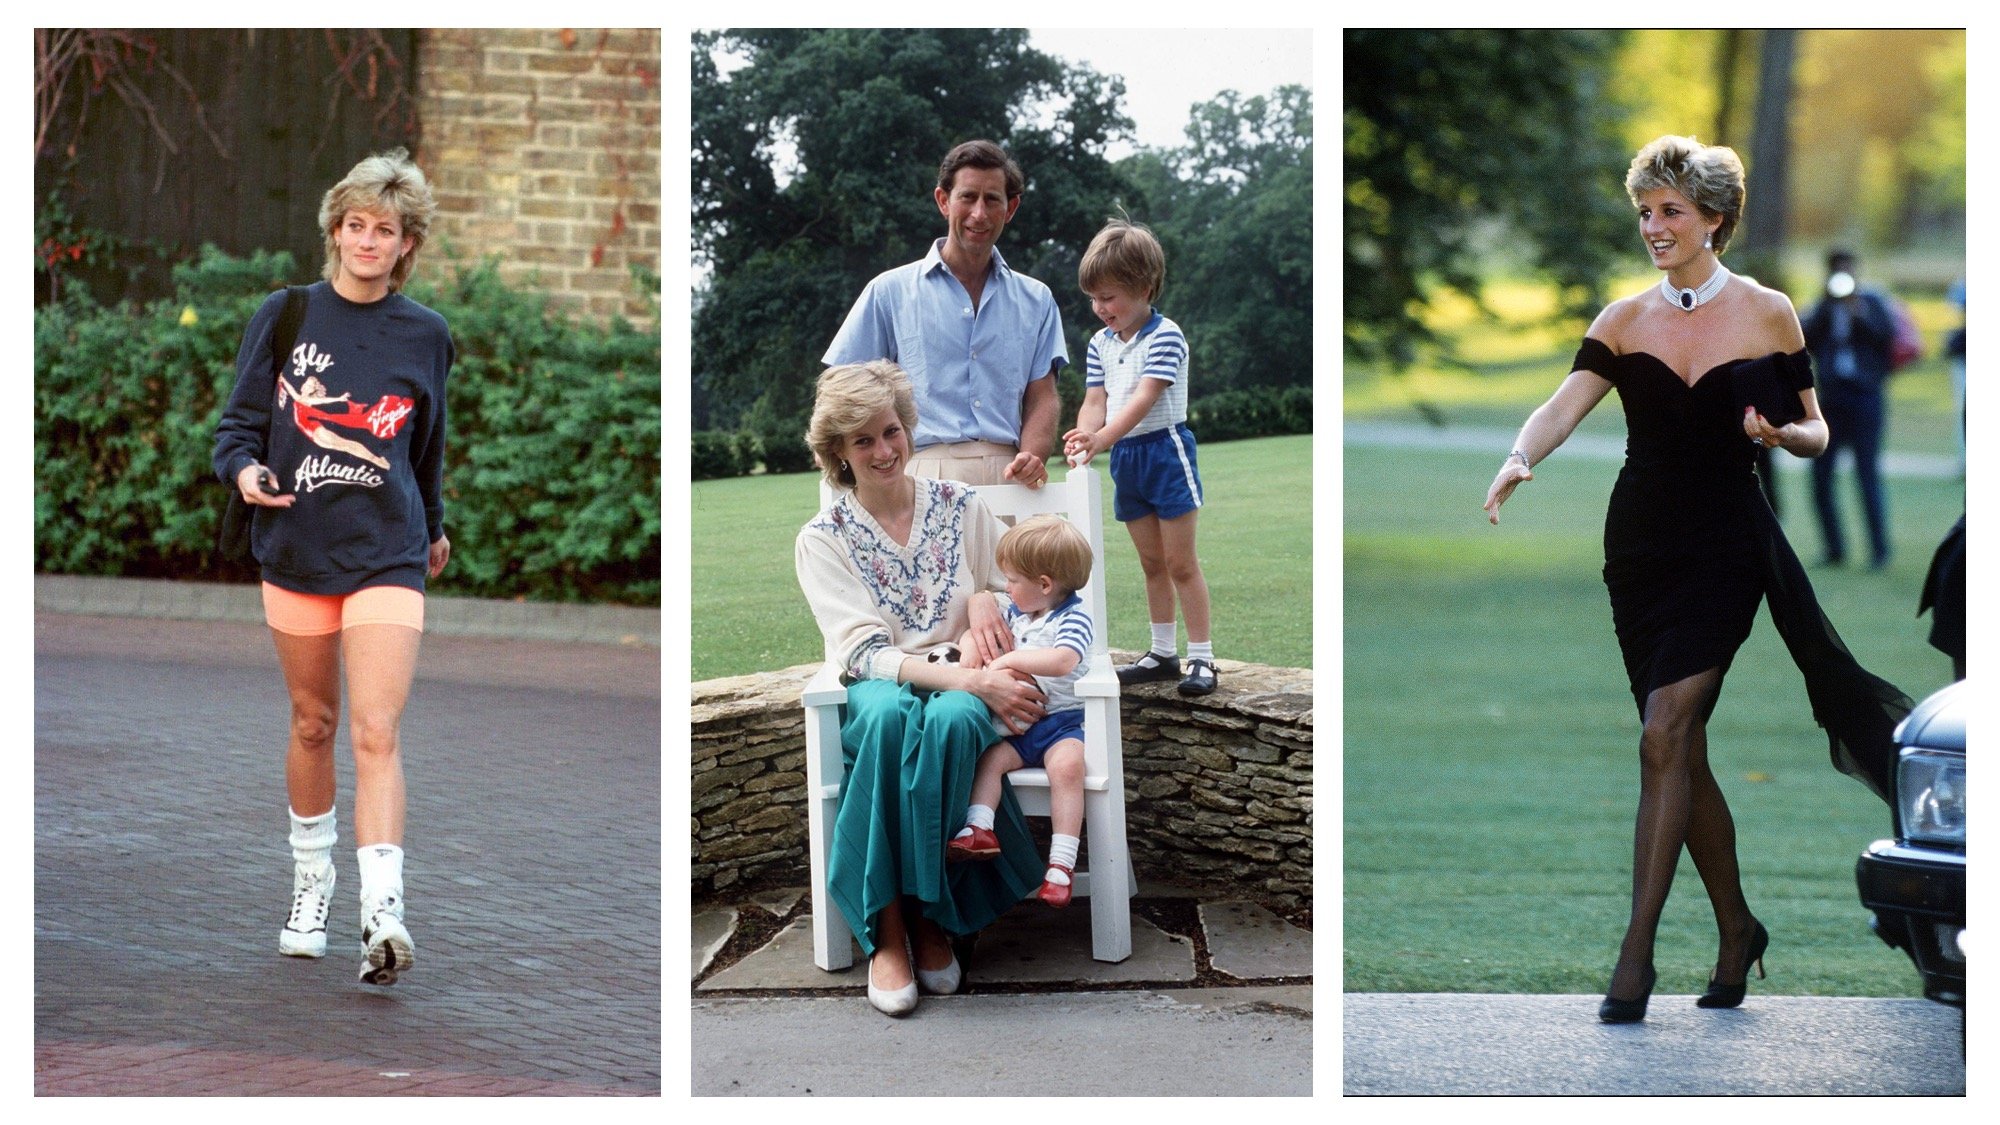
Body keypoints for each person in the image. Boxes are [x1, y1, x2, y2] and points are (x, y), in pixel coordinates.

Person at [1482, 135, 1910, 1025]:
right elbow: (1565, 403)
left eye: (1670, 210)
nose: (1653, 226)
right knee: (1678, 745)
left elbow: (1818, 428)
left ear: (1715, 217)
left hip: (1728, 542)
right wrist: (1521, 455)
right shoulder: (1622, 319)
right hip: (1639, 546)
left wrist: (1782, 438)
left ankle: (1633, 956)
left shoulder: (1770, 314)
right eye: (1644, 211)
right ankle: (1736, 928)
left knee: (1663, 730)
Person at [213, 148, 453, 987]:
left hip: (390, 548)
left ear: (405, 244)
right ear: (335, 231)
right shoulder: (286, 316)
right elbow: (237, 427)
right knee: (314, 721)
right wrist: (246, 473)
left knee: (376, 728)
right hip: (296, 547)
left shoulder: (427, 334)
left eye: (385, 230)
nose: (367, 240)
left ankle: (382, 912)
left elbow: (428, 447)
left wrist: (436, 525)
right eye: (356, 225)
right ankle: (311, 885)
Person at [794, 360, 1046, 1017]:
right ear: (837, 454)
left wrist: (992, 597)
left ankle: (933, 915)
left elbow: (1029, 589)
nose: (883, 451)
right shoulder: (822, 540)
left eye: (890, 432)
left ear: (907, 428)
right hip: (884, 684)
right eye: (862, 441)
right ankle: (893, 928)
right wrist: (969, 673)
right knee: (887, 722)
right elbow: (866, 655)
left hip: (965, 676)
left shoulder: (960, 504)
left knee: (959, 720)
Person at [823, 139, 1066, 491]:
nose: (979, 214)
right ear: (943, 201)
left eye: (992, 199)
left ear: (1010, 208)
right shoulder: (889, 291)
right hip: (920, 472)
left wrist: (1033, 456)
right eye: (967, 197)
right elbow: (840, 385)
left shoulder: (1037, 299)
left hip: (1011, 475)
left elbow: (1042, 395)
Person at [1064, 218, 1217, 695]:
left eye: (1109, 297)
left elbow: (1143, 400)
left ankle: (1203, 658)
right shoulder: (1099, 344)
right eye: (1094, 298)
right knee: (1151, 564)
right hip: (1126, 458)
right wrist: (1083, 438)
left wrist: (1102, 437)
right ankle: (1162, 654)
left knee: (1181, 563)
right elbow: (1096, 400)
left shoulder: (1166, 335)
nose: (1100, 308)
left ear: (1145, 287)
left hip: (1164, 453)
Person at [948, 515, 1095, 908]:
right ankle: (979, 829)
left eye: (1011, 580)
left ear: (1044, 585)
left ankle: (1060, 867)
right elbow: (977, 632)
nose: (1006, 587)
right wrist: (970, 650)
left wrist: (1011, 658)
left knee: (1067, 768)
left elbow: (1064, 660)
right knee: (991, 760)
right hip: (1022, 728)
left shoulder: (1072, 618)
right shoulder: (1018, 614)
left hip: (1065, 725)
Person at [1800, 249, 1897, 569]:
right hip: (1831, 400)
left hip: (1865, 397)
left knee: (1866, 475)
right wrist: (1827, 308)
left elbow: (1886, 340)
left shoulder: (1873, 303)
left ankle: (1879, 550)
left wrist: (1859, 313)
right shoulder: (1823, 306)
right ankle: (1834, 548)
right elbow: (1805, 341)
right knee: (1821, 476)